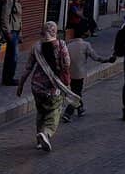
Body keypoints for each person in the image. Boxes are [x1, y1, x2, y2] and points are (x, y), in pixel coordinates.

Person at [16, 22, 80, 152]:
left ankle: (39, 141)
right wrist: (65, 79)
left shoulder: (36, 47)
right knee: (54, 111)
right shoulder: (61, 44)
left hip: (37, 87)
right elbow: (67, 63)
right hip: (53, 87)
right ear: (55, 32)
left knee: (41, 111)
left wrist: (20, 85)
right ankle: (46, 133)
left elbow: (28, 68)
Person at [62, 27, 114, 122]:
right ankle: (68, 113)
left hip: (69, 73)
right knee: (77, 93)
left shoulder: (68, 45)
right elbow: (96, 57)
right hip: (79, 73)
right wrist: (107, 60)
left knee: (75, 90)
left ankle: (80, 108)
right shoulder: (86, 45)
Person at [1, 0, 24, 86]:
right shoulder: (10, 1)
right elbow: (5, 17)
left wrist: (20, 34)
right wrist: (7, 32)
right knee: (13, 56)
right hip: (11, 32)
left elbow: (19, 20)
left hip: (16, 31)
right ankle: (8, 78)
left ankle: (8, 77)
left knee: (11, 56)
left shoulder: (18, 2)